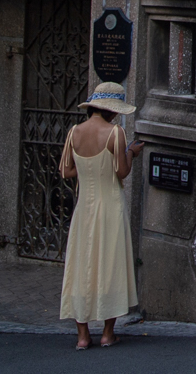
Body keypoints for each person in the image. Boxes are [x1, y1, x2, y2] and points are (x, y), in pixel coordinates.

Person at [58, 80, 144, 349]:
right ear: (112, 110)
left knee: (81, 265)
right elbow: (122, 172)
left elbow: (66, 171)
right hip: (110, 207)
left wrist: (88, 169)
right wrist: (131, 153)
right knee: (110, 265)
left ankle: (83, 336)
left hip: (84, 208)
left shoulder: (74, 132)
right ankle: (107, 333)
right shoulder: (115, 133)